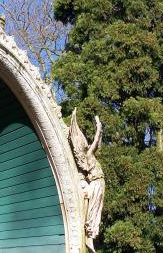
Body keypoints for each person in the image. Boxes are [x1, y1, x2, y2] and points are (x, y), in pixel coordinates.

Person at [69, 108, 105, 253]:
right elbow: (96, 141)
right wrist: (98, 126)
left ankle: (91, 236)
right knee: (93, 210)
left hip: (100, 183)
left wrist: (100, 131)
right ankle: (89, 237)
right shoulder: (89, 155)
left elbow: (98, 142)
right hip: (96, 183)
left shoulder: (91, 156)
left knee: (96, 210)